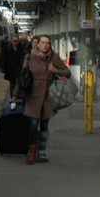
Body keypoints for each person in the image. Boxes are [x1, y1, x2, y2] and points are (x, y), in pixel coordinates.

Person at [21, 34, 71, 164]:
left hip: (47, 97)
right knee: (32, 126)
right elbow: (22, 77)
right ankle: (32, 152)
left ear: (50, 45)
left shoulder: (53, 58)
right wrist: (15, 95)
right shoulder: (30, 57)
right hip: (33, 96)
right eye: (42, 43)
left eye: (47, 43)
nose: (45, 45)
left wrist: (55, 70)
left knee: (44, 126)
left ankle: (42, 152)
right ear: (38, 44)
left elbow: (67, 72)